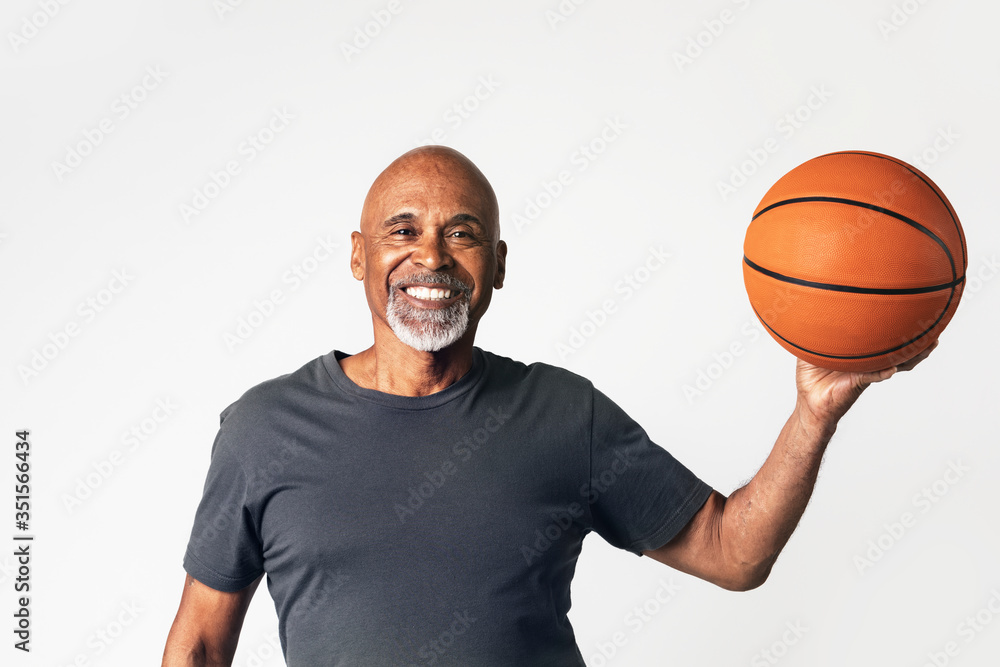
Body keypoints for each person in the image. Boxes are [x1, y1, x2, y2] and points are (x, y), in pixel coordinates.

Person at [162, 146, 934, 666]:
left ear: (496, 266)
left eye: (462, 235)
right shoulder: (265, 428)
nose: (431, 256)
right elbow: (198, 642)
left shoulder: (565, 415)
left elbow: (734, 554)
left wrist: (814, 414)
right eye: (404, 230)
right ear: (359, 255)